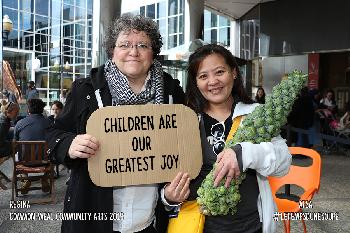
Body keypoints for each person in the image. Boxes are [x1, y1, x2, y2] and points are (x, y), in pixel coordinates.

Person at [46, 14, 189, 233]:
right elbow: (52, 133)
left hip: (148, 221)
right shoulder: (86, 90)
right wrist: (69, 144)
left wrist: (171, 194)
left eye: (143, 45)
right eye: (125, 44)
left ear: (153, 52)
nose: (133, 52)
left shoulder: (172, 92)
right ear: (112, 50)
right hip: (94, 219)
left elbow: (183, 147)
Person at [185, 44, 291, 233]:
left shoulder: (257, 115)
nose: (213, 81)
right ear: (196, 82)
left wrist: (245, 153)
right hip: (200, 226)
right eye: (203, 76)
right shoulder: (188, 121)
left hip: (251, 226)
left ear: (234, 72)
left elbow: (283, 163)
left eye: (219, 72)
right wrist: (168, 197)